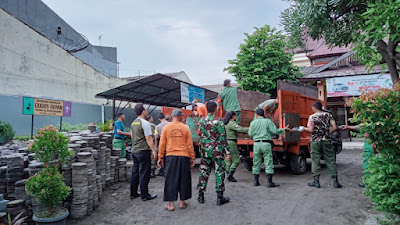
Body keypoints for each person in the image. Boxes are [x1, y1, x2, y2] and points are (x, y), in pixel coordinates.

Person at [297, 101, 342, 188]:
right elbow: (335, 127)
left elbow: (310, 130)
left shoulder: (312, 117)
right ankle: (335, 181)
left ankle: (316, 181)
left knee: (315, 160)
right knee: (330, 160)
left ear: (314, 107)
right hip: (326, 140)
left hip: (315, 141)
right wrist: (329, 133)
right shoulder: (328, 115)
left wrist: (303, 128)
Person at [158, 109, 195, 211]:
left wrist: (160, 156)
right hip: (184, 156)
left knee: (170, 179)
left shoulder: (166, 127)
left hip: (171, 156)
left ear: (172, 116)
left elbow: (162, 144)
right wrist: (192, 157)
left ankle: (171, 204)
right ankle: (182, 203)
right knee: (184, 179)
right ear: (181, 116)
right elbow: (189, 145)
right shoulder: (186, 127)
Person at [197, 101, 231, 206]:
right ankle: (219, 198)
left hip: (205, 150)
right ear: (216, 109)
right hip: (217, 150)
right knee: (219, 172)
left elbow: (200, 134)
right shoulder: (218, 121)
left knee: (203, 171)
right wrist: (228, 152)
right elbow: (222, 138)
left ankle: (200, 196)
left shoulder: (201, 121)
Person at [249, 109, 291, 187]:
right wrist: (284, 129)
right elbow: (274, 131)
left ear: (256, 114)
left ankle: (256, 181)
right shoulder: (268, 122)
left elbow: (250, 134)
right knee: (268, 162)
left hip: (257, 144)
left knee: (256, 162)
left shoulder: (253, 123)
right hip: (266, 143)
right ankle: (269, 182)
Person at [130, 103, 158, 201]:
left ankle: (133, 193)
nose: (146, 111)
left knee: (135, 172)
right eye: (145, 109)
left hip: (134, 151)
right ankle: (145, 195)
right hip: (143, 151)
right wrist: (154, 150)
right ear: (143, 111)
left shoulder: (133, 123)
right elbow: (148, 138)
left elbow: (132, 136)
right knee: (144, 173)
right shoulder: (145, 123)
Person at [223, 111, 249, 182]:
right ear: (233, 116)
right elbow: (241, 129)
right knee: (236, 160)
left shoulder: (225, 123)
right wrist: (250, 129)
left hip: (225, 142)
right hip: (231, 142)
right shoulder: (232, 123)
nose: (236, 117)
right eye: (235, 116)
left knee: (228, 160)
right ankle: (230, 175)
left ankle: (228, 174)